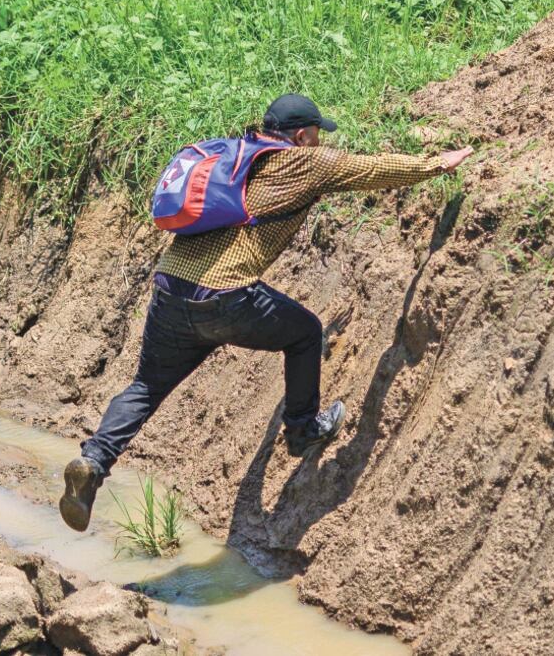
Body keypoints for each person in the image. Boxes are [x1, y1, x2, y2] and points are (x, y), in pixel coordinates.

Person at [59, 93, 474, 531]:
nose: (319, 141)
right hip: (225, 296)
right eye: (316, 134)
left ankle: (92, 462)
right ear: (301, 134)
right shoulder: (302, 162)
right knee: (304, 333)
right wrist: (436, 164)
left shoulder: (239, 159)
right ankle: (302, 430)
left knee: (145, 386)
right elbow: (368, 170)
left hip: (170, 290)